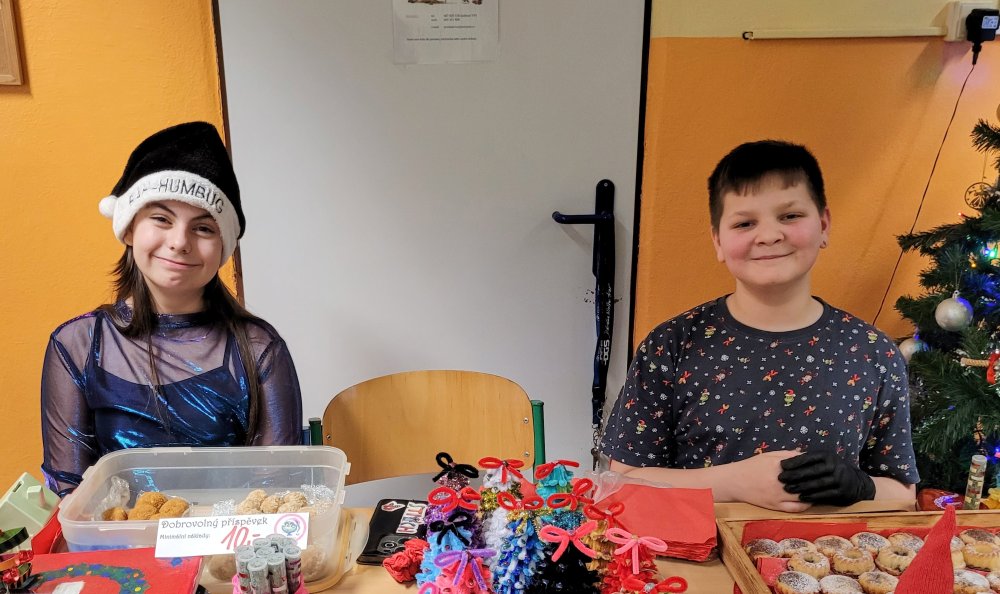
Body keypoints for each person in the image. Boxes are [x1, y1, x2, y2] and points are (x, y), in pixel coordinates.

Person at [600, 140, 918, 512]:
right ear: (718, 241)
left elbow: (902, 492)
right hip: (696, 548)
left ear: (823, 225)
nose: (768, 235)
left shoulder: (873, 352)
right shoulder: (672, 345)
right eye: (744, 223)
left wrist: (861, 486)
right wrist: (733, 482)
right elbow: (623, 482)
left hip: (825, 548)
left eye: (790, 216)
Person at [40, 122, 303, 496]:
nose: (180, 242)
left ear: (223, 247)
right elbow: (70, 495)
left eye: (204, 228)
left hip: (234, 534)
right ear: (129, 229)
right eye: (162, 219)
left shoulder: (259, 347)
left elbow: (277, 494)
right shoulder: (77, 345)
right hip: (115, 535)